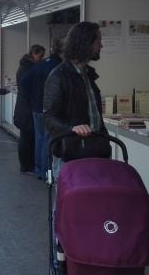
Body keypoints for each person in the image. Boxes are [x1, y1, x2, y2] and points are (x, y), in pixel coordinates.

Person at [43, 22, 105, 178]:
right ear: (86, 43)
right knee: (70, 200)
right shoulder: (59, 76)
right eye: (98, 41)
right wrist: (71, 129)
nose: (101, 46)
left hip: (93, 150)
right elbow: (48, 118)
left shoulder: (87, 75)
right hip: (71, 153)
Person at [20, 39, 63, 179]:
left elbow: (24, 82)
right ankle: (46, 172)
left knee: (39, 139)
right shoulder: (58, 67)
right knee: (48, 139)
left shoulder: (39, 66)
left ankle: (39, 169)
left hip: (36, 108)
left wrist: (31, 98)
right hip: (48, 109)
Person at [14, 44, 46, 173]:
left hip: (23, 107)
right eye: (41, 56)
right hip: (27, 108)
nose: (42, 59)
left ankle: (26, 164)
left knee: (26, 136)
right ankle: (27, 165)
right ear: (34, 54)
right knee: (28, 137)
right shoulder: (29, 69)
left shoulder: (23, 67)